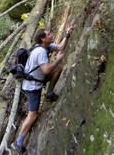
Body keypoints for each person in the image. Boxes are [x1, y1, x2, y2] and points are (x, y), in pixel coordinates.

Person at [11, 25, 73, 155]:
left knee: (58, 69)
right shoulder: (40, 52)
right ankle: (18, 143)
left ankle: (49, 92)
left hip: (37, 80)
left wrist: (67, 35)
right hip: (32, 87)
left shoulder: (45, 47)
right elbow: (46, 70)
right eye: (48, 34)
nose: (51, 34)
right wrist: (57, 60)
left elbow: (60, 47)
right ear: (43, 39)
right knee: (33, 115)